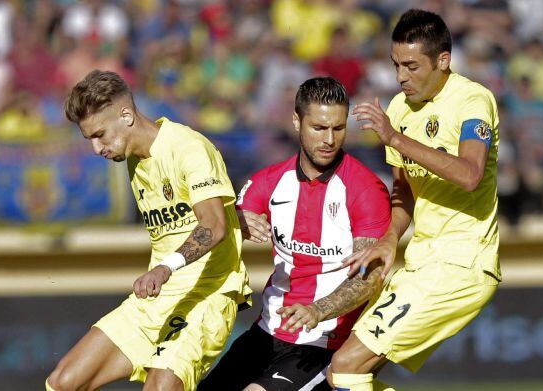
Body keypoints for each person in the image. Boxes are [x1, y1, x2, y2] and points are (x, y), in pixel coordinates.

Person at [327, 9, 502, 390]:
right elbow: (404, 189)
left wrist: (396, 139)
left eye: (411, 66)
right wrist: (390, 238)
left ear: (443, 60)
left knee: (345, 367)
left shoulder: (473, 101)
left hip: (461, 263)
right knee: (355, 372)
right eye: (395, 65)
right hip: (420, 262)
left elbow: (470, 175)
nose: (401, 77)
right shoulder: (399, 110)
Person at [46, 70, 251, 391]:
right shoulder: (132, 157)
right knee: (63, 382)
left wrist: (164, 269)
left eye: (100, 134)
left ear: (126, 115)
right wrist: (236, 217)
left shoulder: (188, 147)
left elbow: (212, 225)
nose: (96, 149)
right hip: (157, 299)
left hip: (206, 296)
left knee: (159, 387)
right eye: (89, 139)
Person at [198, 77, 391, 391]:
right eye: (318, 128)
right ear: (296, 122)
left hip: (323, 343)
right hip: (266, 333)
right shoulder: (269, 181)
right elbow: (214, 228)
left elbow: (370, 276)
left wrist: (318, 309)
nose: (329, 139)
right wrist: (235, 220)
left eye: (338, 128)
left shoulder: (366, 189)